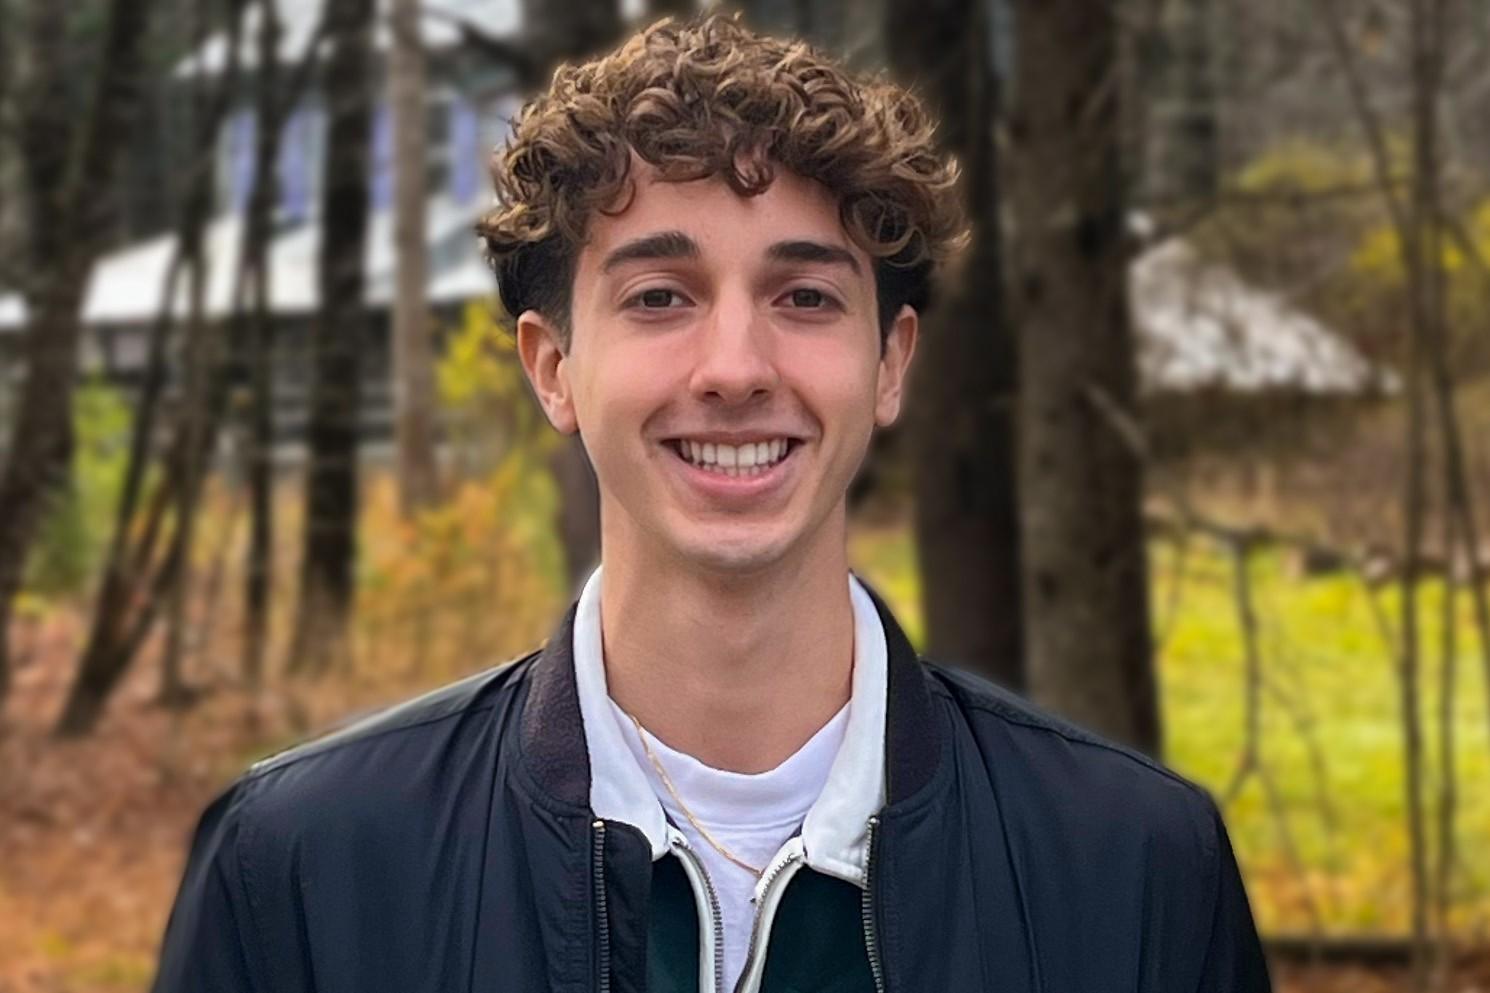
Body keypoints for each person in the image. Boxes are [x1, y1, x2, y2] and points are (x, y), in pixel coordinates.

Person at [150, 14, 1271, 993]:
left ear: (889, 363)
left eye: (804, 295)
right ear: (553, 368)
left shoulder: (1135, 871)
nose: (735, 367)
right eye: (658, 296)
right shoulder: (301, 871)